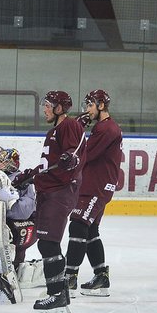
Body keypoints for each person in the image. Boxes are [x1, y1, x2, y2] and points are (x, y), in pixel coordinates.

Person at [11, 90, 87, 313]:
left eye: (48, 105)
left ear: (59, 108)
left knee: (48, 243)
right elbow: (50, 164)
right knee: (47, 243)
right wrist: (31, 175)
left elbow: (72, 153)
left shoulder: (69, 126)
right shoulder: (55, 130)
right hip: (51, 191)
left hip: (60, 192)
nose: (44, 108)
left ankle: (57, 297)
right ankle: (60, 290)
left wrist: (71, 157)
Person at [65, 89, 123, 297]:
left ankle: (69, 278)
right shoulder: (104, 127)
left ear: (101, 106)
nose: (87, 109)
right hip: (96, 187)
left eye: (90, 105)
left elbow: (85, 155)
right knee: (90, 231)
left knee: (78, 225)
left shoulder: (107, 129)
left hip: (95, 189)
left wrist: (76, 130)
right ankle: (101, 276)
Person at [0, 148, 38, 274]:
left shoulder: (23, 180)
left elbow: (24, 211)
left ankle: (16, 267)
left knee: (14, 240)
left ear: (12, 163)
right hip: (7, 222)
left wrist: (5, 210)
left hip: (25, 224)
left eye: (2, 162)